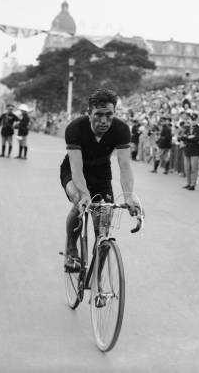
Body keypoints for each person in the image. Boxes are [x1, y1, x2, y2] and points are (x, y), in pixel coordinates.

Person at [59, 89, 139, 271]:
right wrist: (85, 194)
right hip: (73, 171)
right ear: (89, 113)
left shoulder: (121, 129)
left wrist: (128, 197)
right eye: (98, 115)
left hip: (101, 174)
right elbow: (77, 169)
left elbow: (125, 166)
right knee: (79, 201)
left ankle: (98, 280)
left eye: (109, 115)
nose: (104, 121)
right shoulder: (75, 128)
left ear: (115, 113)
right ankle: (71, 249)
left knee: (103, 224)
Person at [179, 112, 199, 191]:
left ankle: (193, 184)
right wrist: (189, 137)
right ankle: (188, 183)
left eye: (195, 120)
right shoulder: (187, 129)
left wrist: (188, 138)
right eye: (192, 120)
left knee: (194, 168)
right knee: (187, 168)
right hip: (187, 150)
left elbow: (196, 139)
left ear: (197, 120)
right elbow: (181, 138)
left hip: (195, 151)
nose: (193, 121)